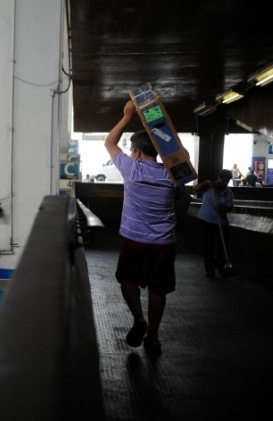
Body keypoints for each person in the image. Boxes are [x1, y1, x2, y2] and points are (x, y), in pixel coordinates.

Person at [104, 99, 180, 358]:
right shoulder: (173, 175)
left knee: (127, 279)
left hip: (135, 239)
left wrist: (127, 116)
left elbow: (109, 143)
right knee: (158, 289)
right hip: (164, 242)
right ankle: (154, 337)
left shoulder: (131, 169)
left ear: (136, 152)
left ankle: (139, 319)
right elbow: (179, 160)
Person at [194, 169, 235, 278]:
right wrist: (207, 182)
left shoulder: (229, 193)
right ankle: (210, 269)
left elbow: (229, 207)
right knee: (208, 246)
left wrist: (223, 209)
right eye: (223, 180)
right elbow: (195, 188)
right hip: (206, 220)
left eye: (227, 181)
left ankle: (222, 268)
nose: (224, 183)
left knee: (222, 246)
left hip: (221, 223)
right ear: (218, 178)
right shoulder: (209, 187)